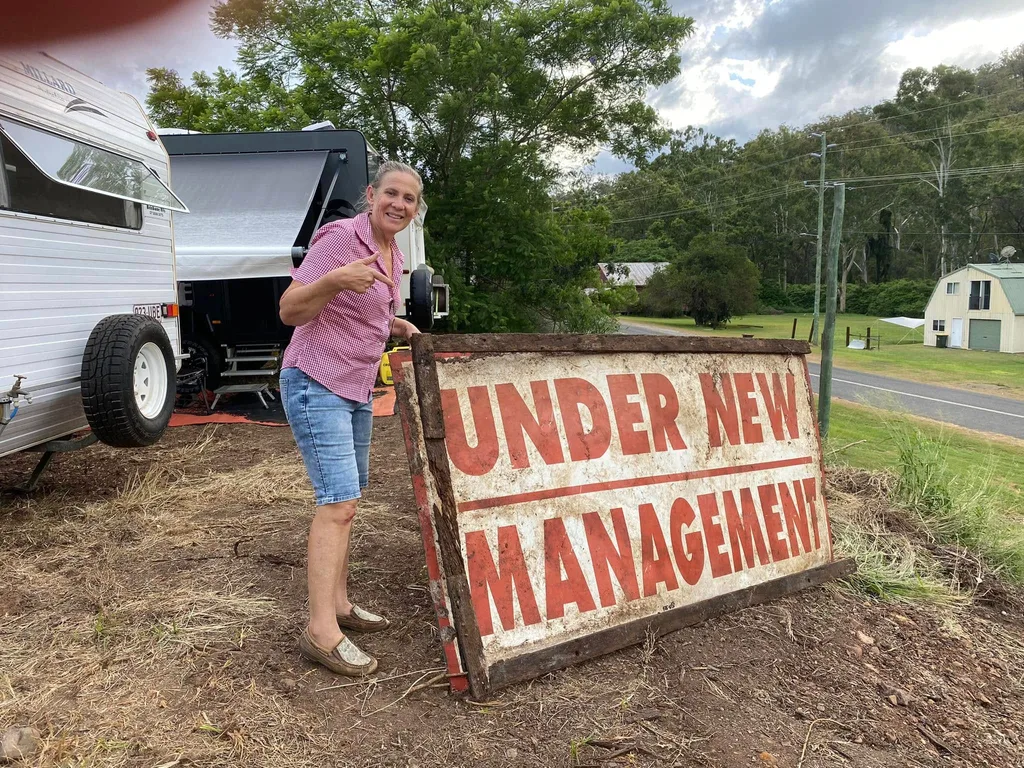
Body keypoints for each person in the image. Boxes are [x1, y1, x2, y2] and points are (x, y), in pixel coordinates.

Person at [278, 160, 422, 676]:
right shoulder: (341, 240)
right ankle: (320, 633)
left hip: (358, 389)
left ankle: (339, 605)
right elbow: (290, 309)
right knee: (336, 505)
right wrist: (336, 279)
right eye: (391, 193)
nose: (399, 204)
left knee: (349, 505)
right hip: (316, 382)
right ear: (371, 194)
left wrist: (396, 322)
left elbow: (368, 313)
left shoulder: (394, 253)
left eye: (409, 199)